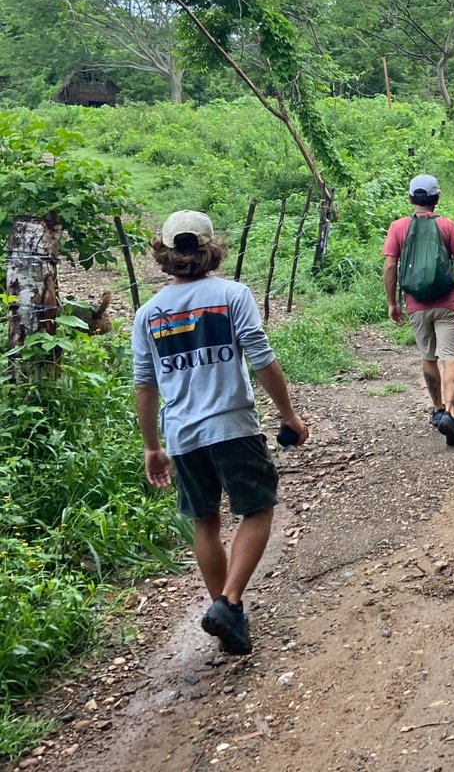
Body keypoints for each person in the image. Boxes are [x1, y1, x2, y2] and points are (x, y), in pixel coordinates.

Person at [132, 210, 309, 655]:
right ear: (211, 248)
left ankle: (227, 612)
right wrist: (288, 413)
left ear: (164, 253)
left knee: (204, 522)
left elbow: (145, 384)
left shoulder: (148, 314)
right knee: (258, 508)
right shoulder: (232, 294)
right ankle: (228, 605)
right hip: (232, 425)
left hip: (182, 435)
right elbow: (261, 356)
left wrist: (152, 446)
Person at [382, 174, 454, 447]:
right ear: (437, 199)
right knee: (451, 357)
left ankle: (436, 408)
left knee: (428, 357)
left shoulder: (398, 228)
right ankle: (451, 411)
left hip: (416, 304)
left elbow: (389, 267)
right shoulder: (447, 227)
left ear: (411, 198)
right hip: (446, 302)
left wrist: (392, 303)